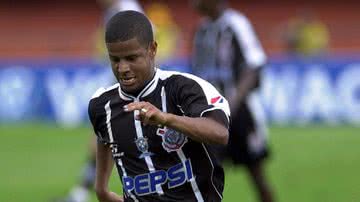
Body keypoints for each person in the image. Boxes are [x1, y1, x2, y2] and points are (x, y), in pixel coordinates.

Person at [90, 10, 231, 201]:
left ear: (153, 50)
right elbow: (104, 140)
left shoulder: (185, 88)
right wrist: (102, 190)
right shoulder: (102, 105)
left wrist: (166, 119)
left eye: (132, 58)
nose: (122, 68)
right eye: (115, 59)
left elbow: (220, 133)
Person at [53, 1, 144, 202]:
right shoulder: (115, 11)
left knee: (110, 139)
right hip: (125, 85)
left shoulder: (125, 10)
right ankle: (82, 193)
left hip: (132, 88)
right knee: (102, 138)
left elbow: (147, 39)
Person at [191, 0, 274, 202]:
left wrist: (232, 103)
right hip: (211, 113)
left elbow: (254, 65)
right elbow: (198, 72)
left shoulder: (236, 24)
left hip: (239, 112)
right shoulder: (201, 30)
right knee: (203, 175)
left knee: (257, 175)